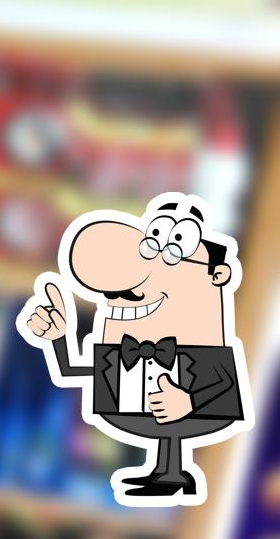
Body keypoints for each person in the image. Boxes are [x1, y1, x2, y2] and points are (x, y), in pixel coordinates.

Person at [21, 194, 249, 501]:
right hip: (131, 413)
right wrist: (59, 336)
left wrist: (190, 401)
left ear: (216, 275)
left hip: (195, 425)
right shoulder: (122, 344)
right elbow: (70, 371)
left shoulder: (203, 347)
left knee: (173, 425)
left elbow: (224, 387)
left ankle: (172, 473)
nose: (124, 296)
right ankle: (165, 471)